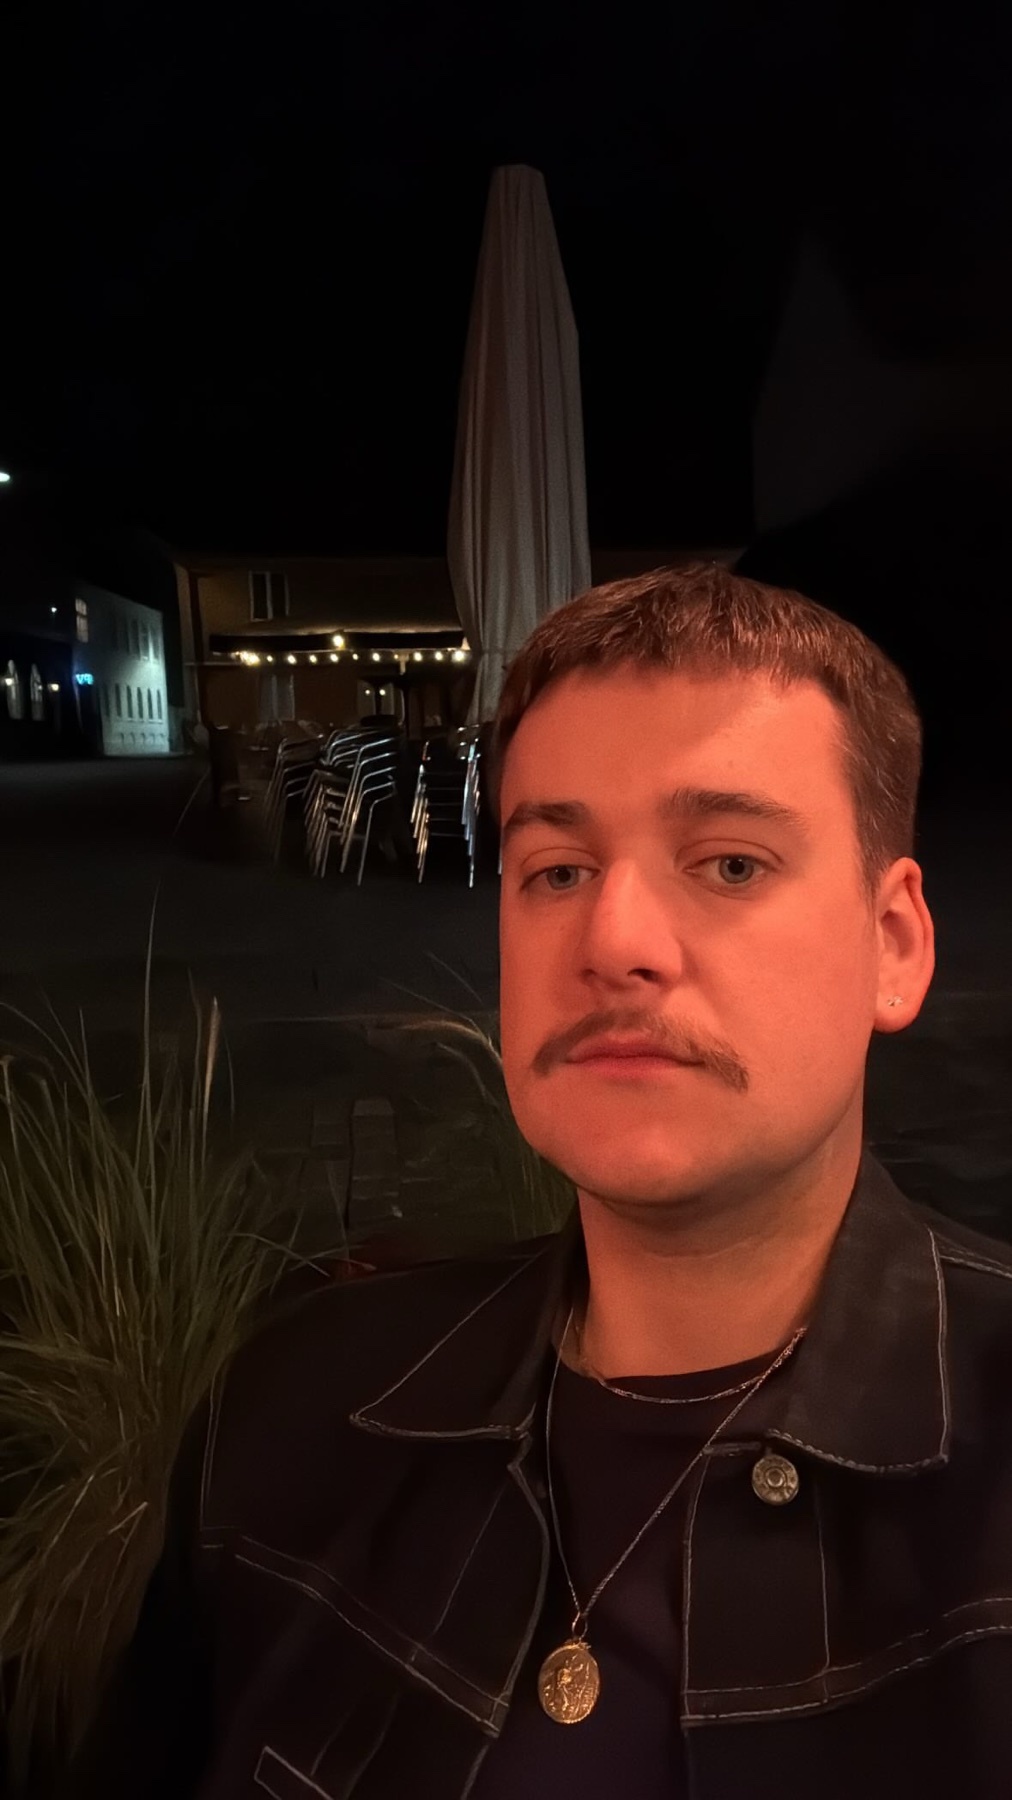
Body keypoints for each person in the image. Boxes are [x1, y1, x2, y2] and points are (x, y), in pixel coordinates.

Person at [66, 564, 1012, 1798]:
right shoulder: (294, 1416)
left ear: (892, 945)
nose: (612, 941)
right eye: (557, 870)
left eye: (729, 864)